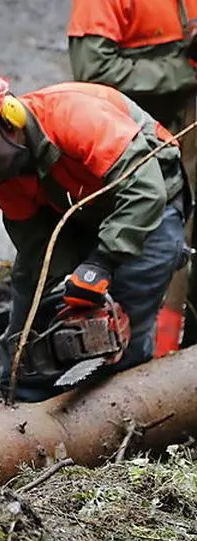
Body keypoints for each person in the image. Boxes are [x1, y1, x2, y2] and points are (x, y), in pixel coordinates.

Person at [0, 66, 188, 401]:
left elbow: (145, 192)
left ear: (10, 119)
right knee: (30, 308)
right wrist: (38, 318)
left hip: (151, 204)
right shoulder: (4, 170)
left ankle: (131, 411)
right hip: (79, 211)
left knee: (127, 319)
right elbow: (37, 245)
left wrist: (100, 264)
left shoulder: (76, 116)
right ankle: (20, 400)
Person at [68, 0, 197, 350]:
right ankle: (150, 359)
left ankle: (181, 355)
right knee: (146, 261)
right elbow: (93, 69)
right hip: (133, 149)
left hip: (184, 128)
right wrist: (182, 72)